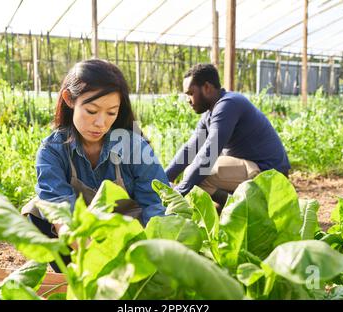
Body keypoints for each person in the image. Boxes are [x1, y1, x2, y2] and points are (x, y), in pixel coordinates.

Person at [21, 59, 169, 272]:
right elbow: (61, 215)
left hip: (128, 238)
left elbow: (154, 206)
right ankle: (71, 273)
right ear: (70, 100)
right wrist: (98, 259)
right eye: (91, 111)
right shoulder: (52, 150)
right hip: (80, 240)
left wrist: (146, 257)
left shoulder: (134, 146)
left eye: (111, 113)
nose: (101, 123)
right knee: (36, 211)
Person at [165, 63, 290, 210]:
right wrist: (162, 179)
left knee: (198, 174)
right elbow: (190, 149)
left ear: (207, 88)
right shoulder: (210, 113)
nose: (188, 100)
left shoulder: (228, 105)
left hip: (270, 172)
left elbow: (209, 153)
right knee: (194, 172)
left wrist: (180, 192)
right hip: (251, 167)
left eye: (191, 93)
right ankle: (228, 207)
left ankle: (249, 208)